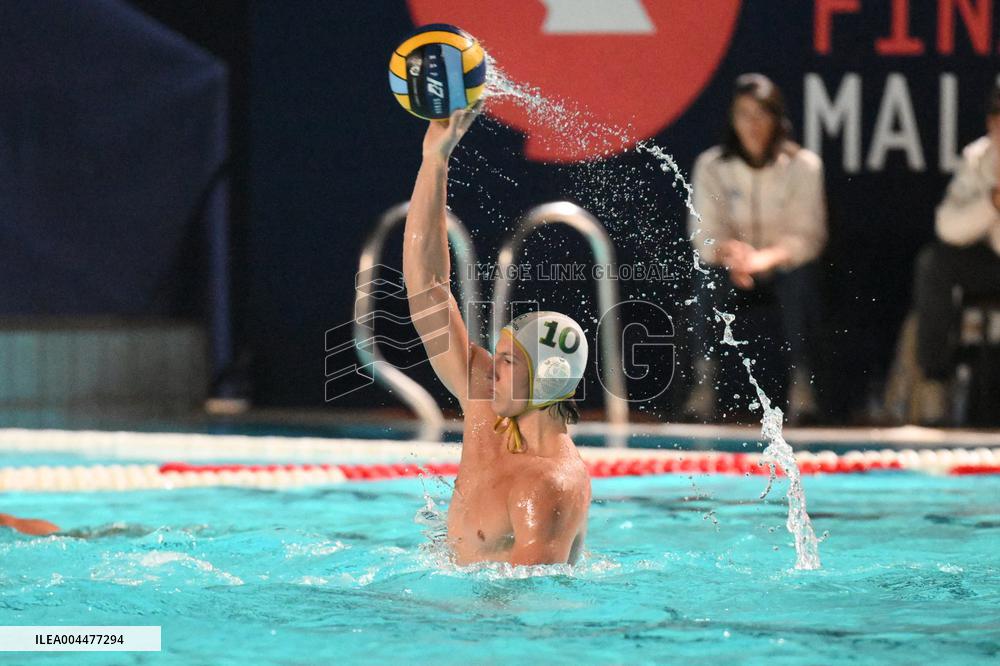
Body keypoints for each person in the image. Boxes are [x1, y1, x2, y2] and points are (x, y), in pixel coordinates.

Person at [402, 104, 591, 566]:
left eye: (509, 362)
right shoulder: (487, 405)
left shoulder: (548, 487)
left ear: (545, 381)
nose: (490, 368)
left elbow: (523, 614)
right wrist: (435, 160)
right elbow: (427, 289)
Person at [684, 73, 828, 424]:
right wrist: (731, 254)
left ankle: (802, 388)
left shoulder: (803, 166)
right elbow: (704, 236)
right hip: (732, 267)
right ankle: (703, 386)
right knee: (707, 283)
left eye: (762, 114)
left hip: (782, 266)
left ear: (778, 120)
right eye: (744, 114)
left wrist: (764, 258)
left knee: (800, 282)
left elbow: (808, 237)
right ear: (733, 119)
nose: (753, 124)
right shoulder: (712, 166)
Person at [908, 85, 1000, 423]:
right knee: (935, 262)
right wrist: (991, 203)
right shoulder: (978, 157)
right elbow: (947, 225)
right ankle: (935, 382)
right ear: (992, 123)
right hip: (990, 261)